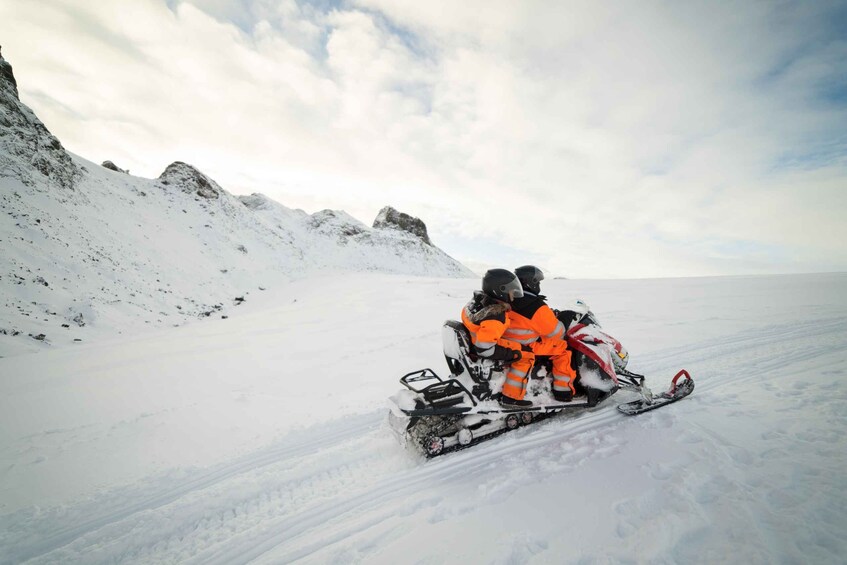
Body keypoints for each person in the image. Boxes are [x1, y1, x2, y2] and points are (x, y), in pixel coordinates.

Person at [461, 269, 535, 407]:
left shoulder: (477, 302)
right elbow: (485, 349)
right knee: (527, 355)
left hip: (475, 338)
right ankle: (511, 397)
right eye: (512, 291)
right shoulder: (495, 316)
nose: (513, 295)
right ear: (501, 290)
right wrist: (512, 354)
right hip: (482, 345)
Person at [504, 265, 578, 402]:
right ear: (530, 282)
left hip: (507, 341)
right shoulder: (535, 306)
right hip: (527, 345)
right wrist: (564, 318)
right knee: (564, 348)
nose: (538, 285)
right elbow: (557, 333)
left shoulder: (508, 298)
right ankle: (563, 391)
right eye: (537, 282)